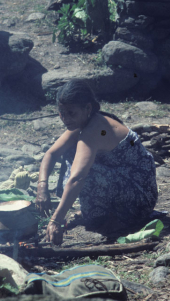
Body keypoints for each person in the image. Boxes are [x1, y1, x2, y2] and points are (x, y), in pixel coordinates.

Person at [35, 80, 158, 246]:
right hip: (122, 182)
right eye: (62, 113)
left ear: (87, 108)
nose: (66, 119)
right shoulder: (82, 123)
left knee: (85, 174)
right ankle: (101, 213)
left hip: (140, 196)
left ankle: (120, 219)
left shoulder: (95, 129)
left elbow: (78, 178)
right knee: (71, 153)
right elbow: (51, 153)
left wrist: (56, 220)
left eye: (71, 113)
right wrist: (42, 187)